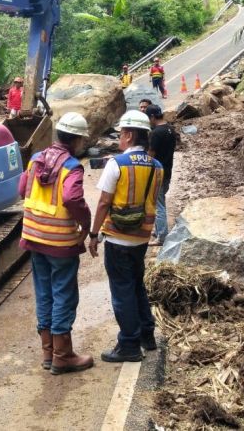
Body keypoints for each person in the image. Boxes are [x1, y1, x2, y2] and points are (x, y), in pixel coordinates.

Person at [20, 112, 95, 375]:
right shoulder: (72, 166)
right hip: (60, 242)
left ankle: (48, 354)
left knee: (44, 292)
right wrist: (86, 224)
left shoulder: (35, 160)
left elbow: (22, 190)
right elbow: (72, 199)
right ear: (76, 140)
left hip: (33, 237)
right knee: (64, 293)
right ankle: (63, 356)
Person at [89, 110, 163, 362]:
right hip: (141, 238)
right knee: (136, 285)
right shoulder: (157, 166)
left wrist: (93, 234)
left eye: (121, 134)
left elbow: (103, 203)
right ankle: (147, 334)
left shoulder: (117, 164)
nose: (120, 139)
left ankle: (129, 345)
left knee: (122, 291)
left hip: (118, 238)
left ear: (129, 135)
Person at [145, 105, 176, 246]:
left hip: (157, 173)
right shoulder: (170, 129)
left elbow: (150, 156)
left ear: (152, 117)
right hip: (168, 170)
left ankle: (162, 236)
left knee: (158, 205)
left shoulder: (156, 133)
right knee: (160, 201)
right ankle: (159, 230)